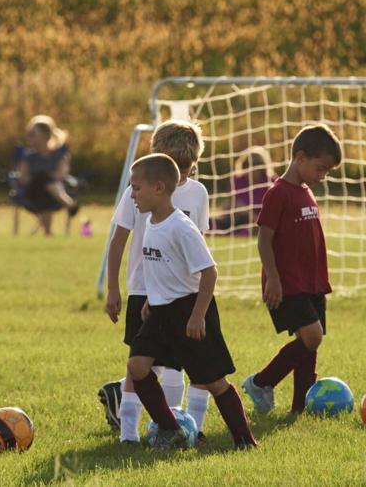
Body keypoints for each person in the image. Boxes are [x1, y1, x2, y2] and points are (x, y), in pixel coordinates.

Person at [121, 154, 257, 449]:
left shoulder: (181, 227)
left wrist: (197, 316)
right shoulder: (151, 222)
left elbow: (209, 273)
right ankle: (172, 431)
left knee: (213, 380)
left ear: (158, 188)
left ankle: (245, 441)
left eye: (137, 188)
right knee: (137, 366)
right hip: (159, 311)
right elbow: (159, 266)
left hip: (190, 310)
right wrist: (151, 301)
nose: (132, 195)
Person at [101, 121, 211, 445]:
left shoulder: (199, 193)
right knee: (140, 365)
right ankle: (128, 435)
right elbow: (118, 240)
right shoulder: (136, 191)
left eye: (188, 169)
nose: (183, 177)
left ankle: (177, 428)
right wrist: (112, 287)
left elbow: (199, 245)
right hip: (143, 289)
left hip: (180, 292)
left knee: (177, 364)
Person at [242, 124, 341, 416]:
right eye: (320, 169)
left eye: (327, 172)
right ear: (300, 157)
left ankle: (300, 407)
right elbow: (264, 239)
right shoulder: (278, 193)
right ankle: (261, 382)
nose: (322, 176)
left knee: (309, 343)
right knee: (312, 337)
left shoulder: (307, 192)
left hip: (312, 282)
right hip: (287, 283)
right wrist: (272, 278)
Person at [16, 115, 79, 235]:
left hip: (50, 195)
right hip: (32, 193)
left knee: (44, 185)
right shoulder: (28, 157)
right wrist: (40, 179)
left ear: (45, 136)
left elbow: (61, 174)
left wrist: (45, 181)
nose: (29, 137)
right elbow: (23, 178)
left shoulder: (58, 156)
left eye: (33, 134)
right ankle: (68, 203)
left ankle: (48, 233)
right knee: (42, 177)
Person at [212, 146, 274, 235]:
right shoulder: (236, 181)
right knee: (212, 225)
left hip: (258, 224)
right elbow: (229, 204)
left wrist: (248, 212)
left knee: (244, 232)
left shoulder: (271, 183)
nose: (251, 168)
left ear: (263, 166)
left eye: (256, 164)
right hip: (236, 220)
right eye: (247, 164)